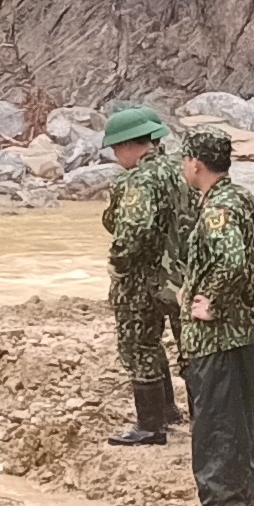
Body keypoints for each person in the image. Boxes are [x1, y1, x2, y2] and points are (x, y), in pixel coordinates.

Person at [175, 128, 254, 506]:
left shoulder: (218, 210)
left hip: (218, 337)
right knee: (239, 416)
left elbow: (231, 262)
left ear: (195, 164)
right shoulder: (241, 198)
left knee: (217, 420)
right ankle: (238, 496)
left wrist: (210, 301)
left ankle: (224, 504)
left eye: (185, 160)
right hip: (242, 330)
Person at [98, 105, 189, 446]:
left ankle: (153, 424)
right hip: (181, 275)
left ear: (127, 146)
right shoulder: (181, 169)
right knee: (190, 349)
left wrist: (118, 264)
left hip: (143, 278)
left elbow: (132, 228)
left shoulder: (138, 179)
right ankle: (194, 415)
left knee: (140, 346)